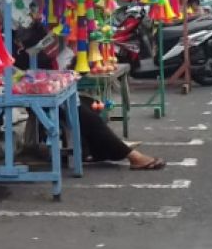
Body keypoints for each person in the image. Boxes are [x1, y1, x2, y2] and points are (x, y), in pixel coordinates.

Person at [14, 27, 165, 170]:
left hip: (48, 87)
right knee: (84, 114)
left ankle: (96, 150)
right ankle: (130, 155)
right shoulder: (19, 46)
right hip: (33, 92)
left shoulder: (41, 40)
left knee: (90, 104)